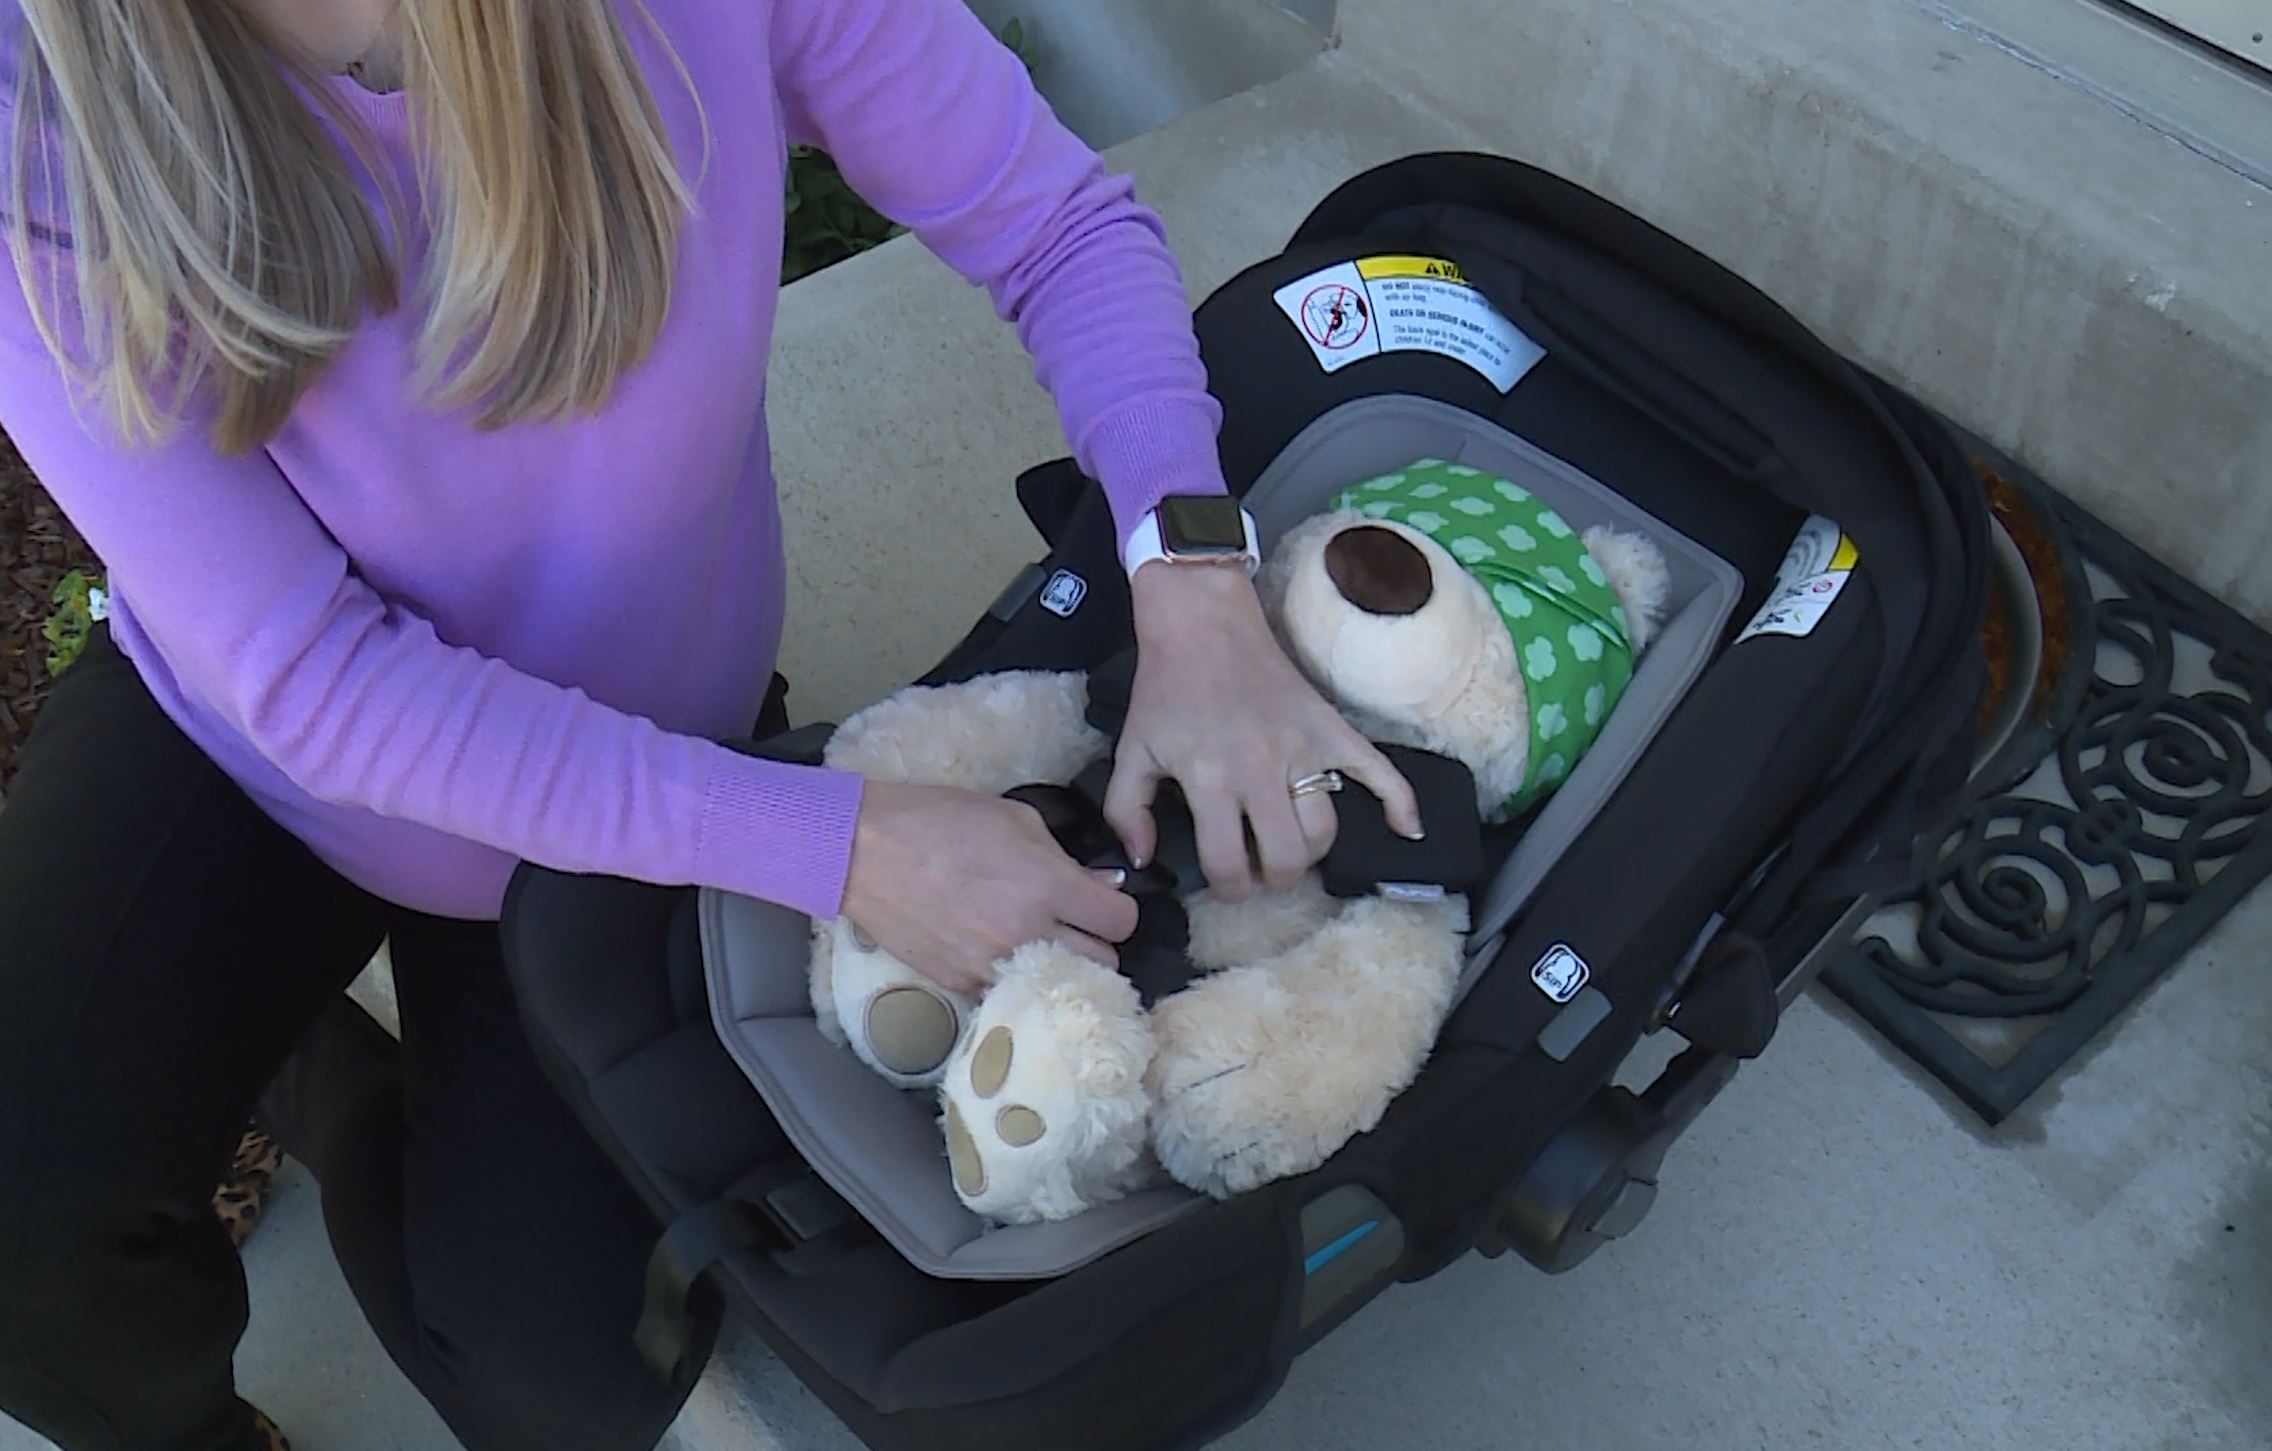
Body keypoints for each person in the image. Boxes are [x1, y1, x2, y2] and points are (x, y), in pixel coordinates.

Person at [0, 2, 1421, 1449]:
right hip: (254, 742)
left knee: (562, 1391)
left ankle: (312, 1070)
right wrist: (835, 843)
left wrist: (1192, 590)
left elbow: (1049, 221)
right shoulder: (23, 103)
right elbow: (306, 676)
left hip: (629, 745)